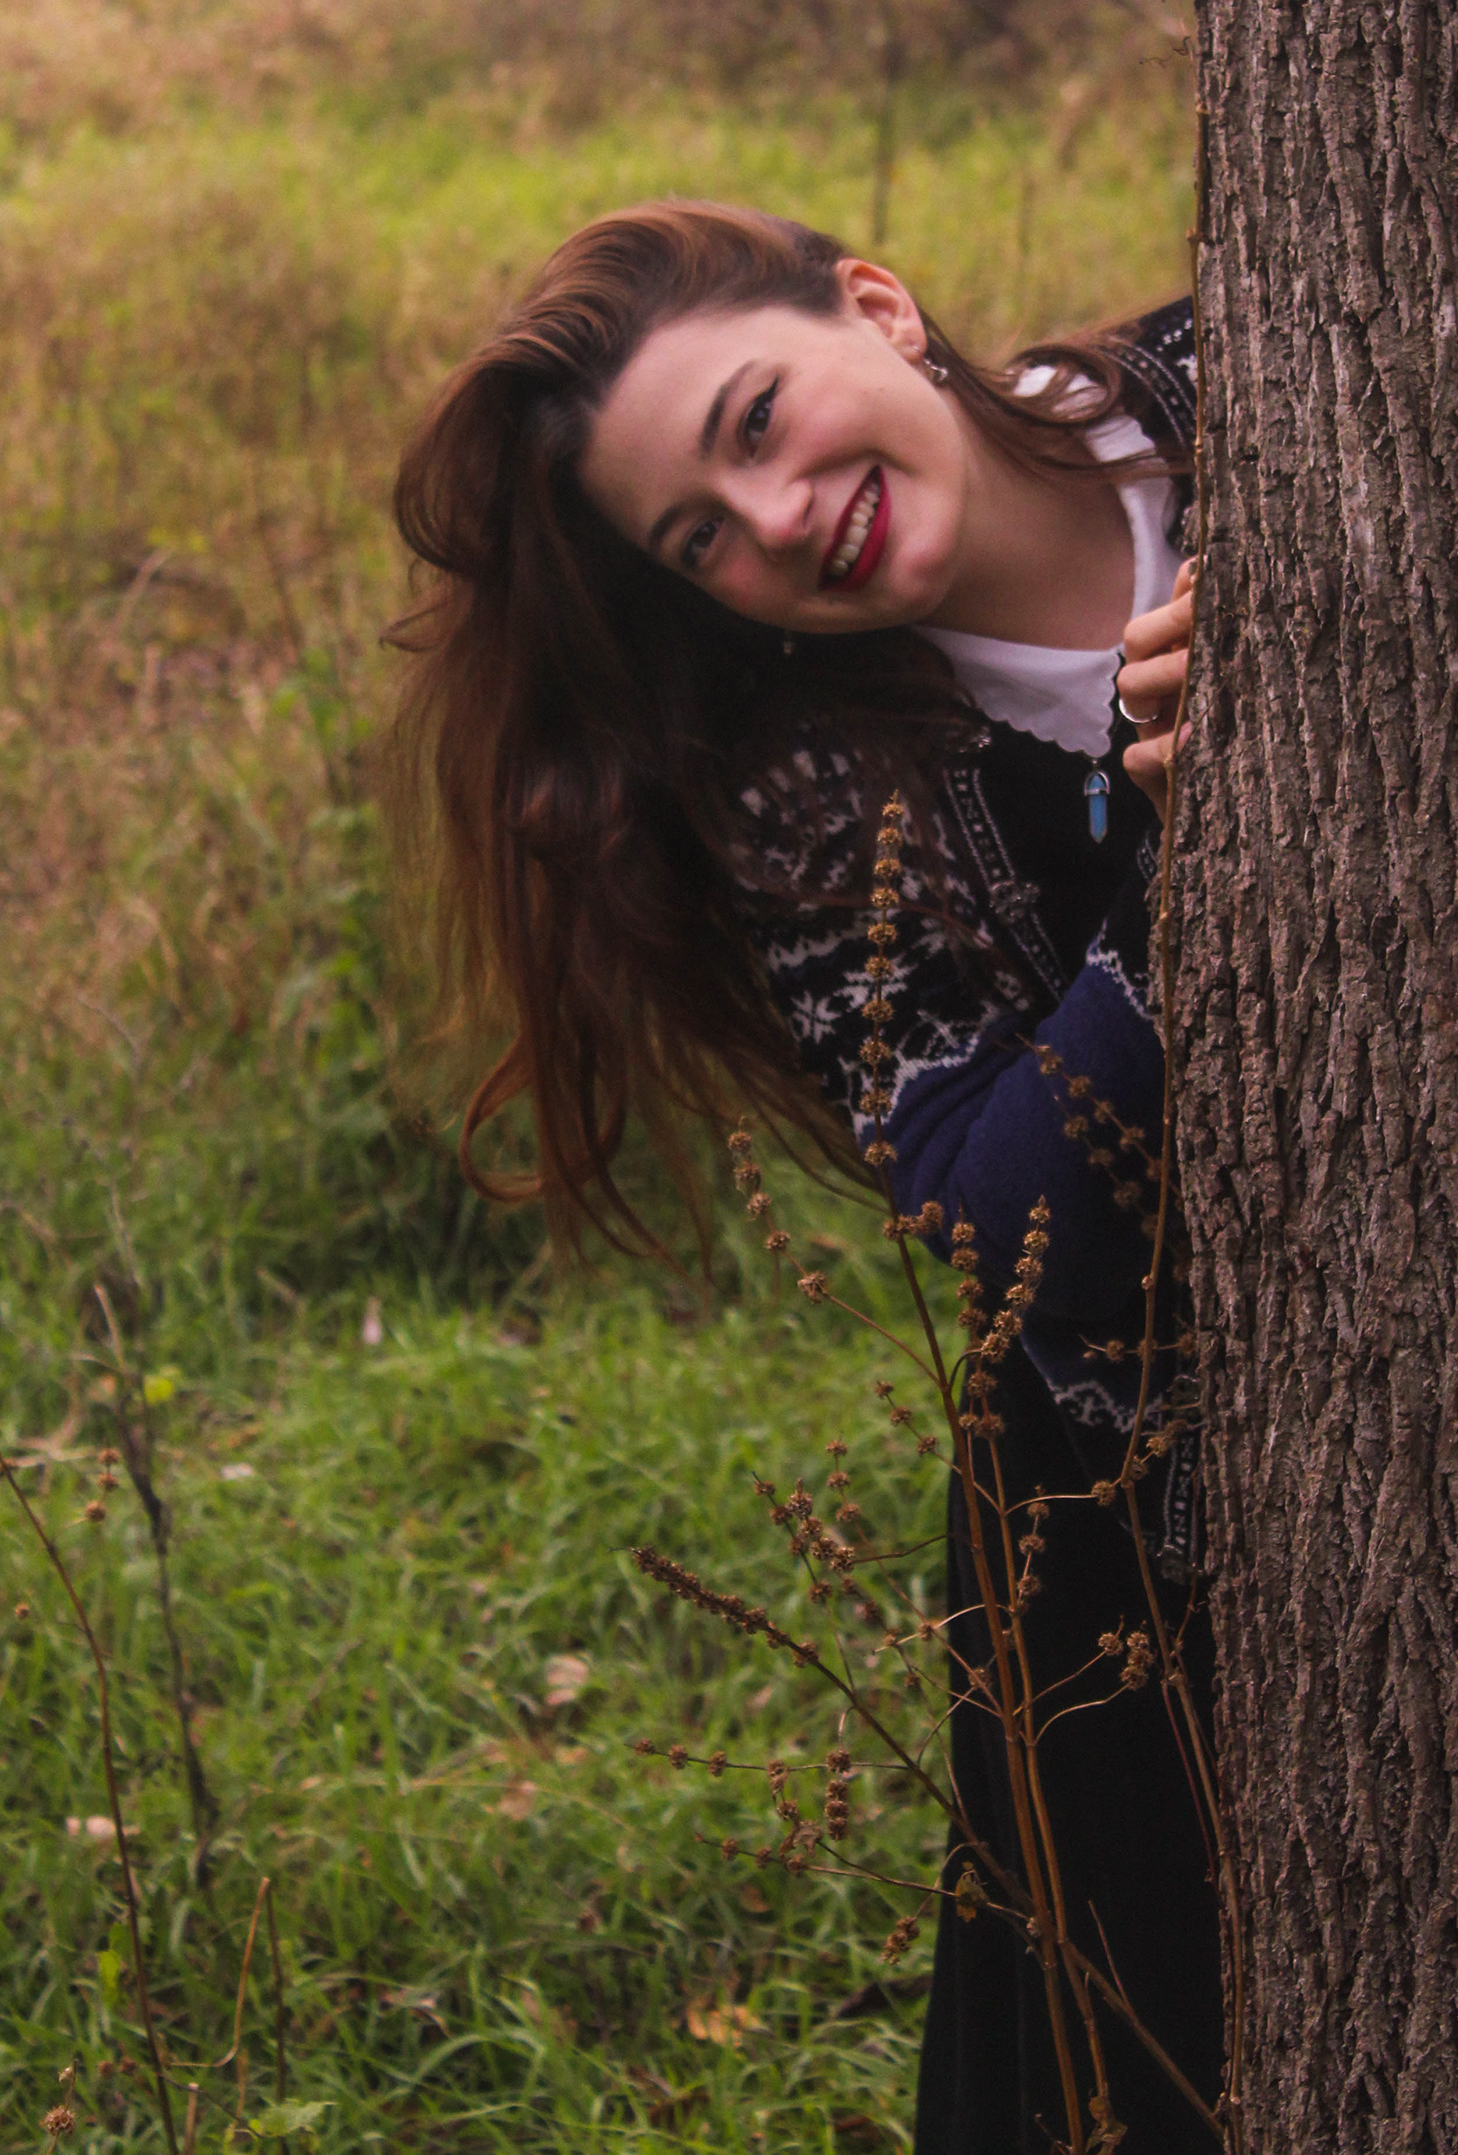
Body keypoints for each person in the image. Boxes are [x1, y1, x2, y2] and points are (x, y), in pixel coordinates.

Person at [390, 201, 1220, 2150]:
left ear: (876, 305)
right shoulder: (828, 784)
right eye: (703, 538)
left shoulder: (1259, 388)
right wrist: (1184, 883)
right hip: (1149, 1547)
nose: (774, 525)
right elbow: (994, 1214)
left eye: (758, 422)